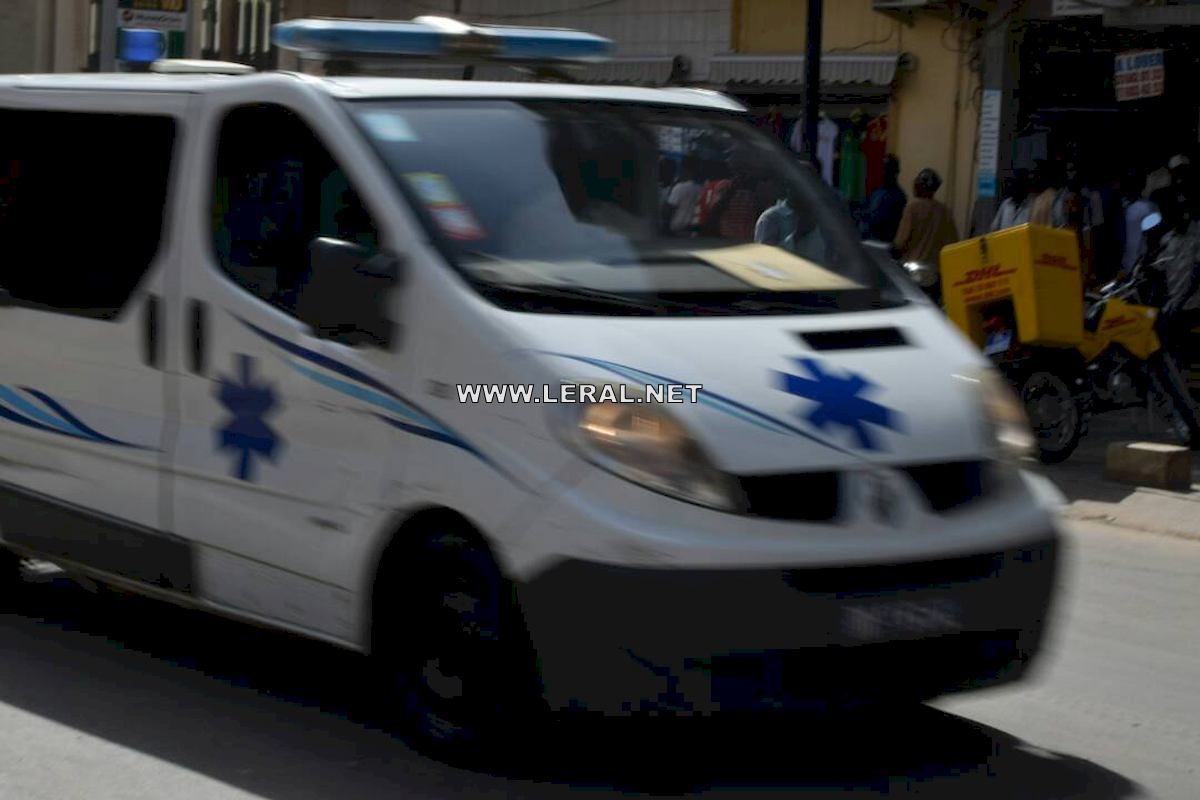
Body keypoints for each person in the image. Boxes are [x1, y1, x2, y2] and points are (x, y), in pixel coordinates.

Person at [893, 167, 959, 265]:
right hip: (934, 270)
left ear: (920, 186)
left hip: (912, 268)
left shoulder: (913, 207)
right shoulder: (945, 211)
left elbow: (901, 242)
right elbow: (953, 244)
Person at [863, 154, 907, 242]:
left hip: (884, 243)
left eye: (888, 169)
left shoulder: (899, 196)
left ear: (895, 172)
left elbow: (894, 224)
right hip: (868, 241)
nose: (884, 172)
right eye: (883, 169)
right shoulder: (876, 192)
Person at [1122, 169, 1158, 273]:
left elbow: (1153, 239)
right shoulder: (1123, 205)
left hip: (1139, 267)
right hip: (1125, 265)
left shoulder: (1148, 207)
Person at [663, 156, 702, 235]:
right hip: (693, 231)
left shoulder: (679, 188)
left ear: (684, 169)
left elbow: (668, 211)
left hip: (676, 230)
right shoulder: (700, 188)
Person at [1029, 160, 1062, 227]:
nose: (1033, 177)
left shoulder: (1054, 197)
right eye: (1032, 173)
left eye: (1036, 173)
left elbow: (1059, 226)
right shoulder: (1034, 198)